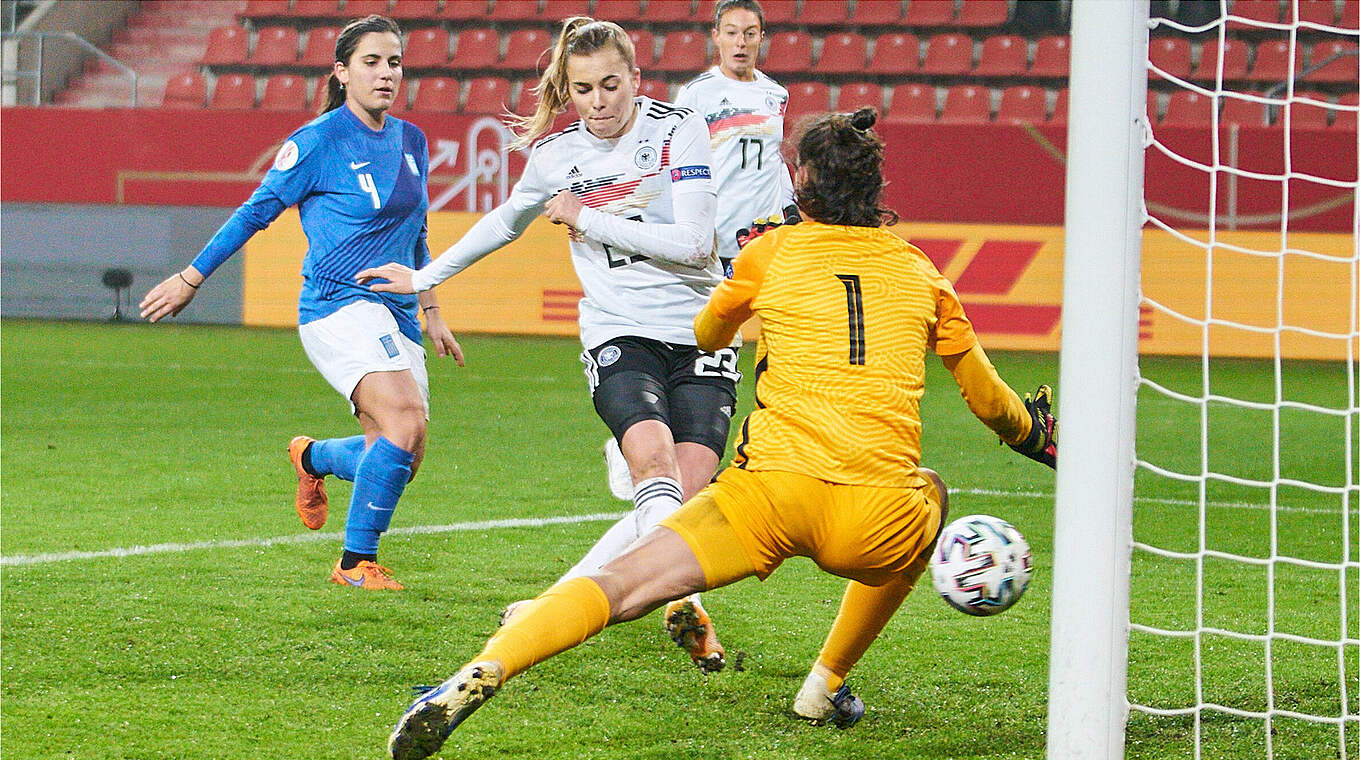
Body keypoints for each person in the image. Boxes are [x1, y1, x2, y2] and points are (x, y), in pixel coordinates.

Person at [383, 107, 1058, 760]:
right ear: (877, 189)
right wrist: (1034, 435)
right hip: (874, 517)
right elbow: (989, 401)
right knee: (931, 490)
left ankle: (488, 667)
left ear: (799, 183)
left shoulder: (771, 251)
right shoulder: (923, 273)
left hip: (768, 498)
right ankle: (824, 685)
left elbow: (707, 334)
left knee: (619, 586)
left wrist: (752, 273)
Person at [356, 17, 736, 670]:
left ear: (636, 78)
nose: (599, 102)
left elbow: (696, 244)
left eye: (611, 85)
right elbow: (505, 221)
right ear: (569, 91)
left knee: (687, 497)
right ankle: (682, 599)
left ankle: (546, 605)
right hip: (620, 330)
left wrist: (590, 217)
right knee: (654, 466)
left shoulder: (679, 130)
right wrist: (423, 277)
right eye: (584, 89)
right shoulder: (557, 156)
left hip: (702, 331)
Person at [139, 15, 463, 591]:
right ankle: (354, 565)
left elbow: (417, 234)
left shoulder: (411, 140)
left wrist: (432, 311)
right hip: (337, 306)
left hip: (397, 312)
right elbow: (255, 212)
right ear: (342, 72)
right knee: (404, 421)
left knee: (401, 458)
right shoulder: (316, 142)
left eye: (394, 62)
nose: (386, 74)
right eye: (371, 62)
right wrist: (191, 278)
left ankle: (312, 458)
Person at [598, 0, 798, 500]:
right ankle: (640, 440)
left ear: (762, 37)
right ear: (716, 37)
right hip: (708, 245)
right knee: (700, 346)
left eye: (749, 32)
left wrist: (790, 207)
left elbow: (771, 162)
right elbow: (672, 161)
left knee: (771, 341)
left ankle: (768, 445)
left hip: (762, 243)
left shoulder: (775, 94)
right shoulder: (697, 95)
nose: (740, 42)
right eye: (731, 32)